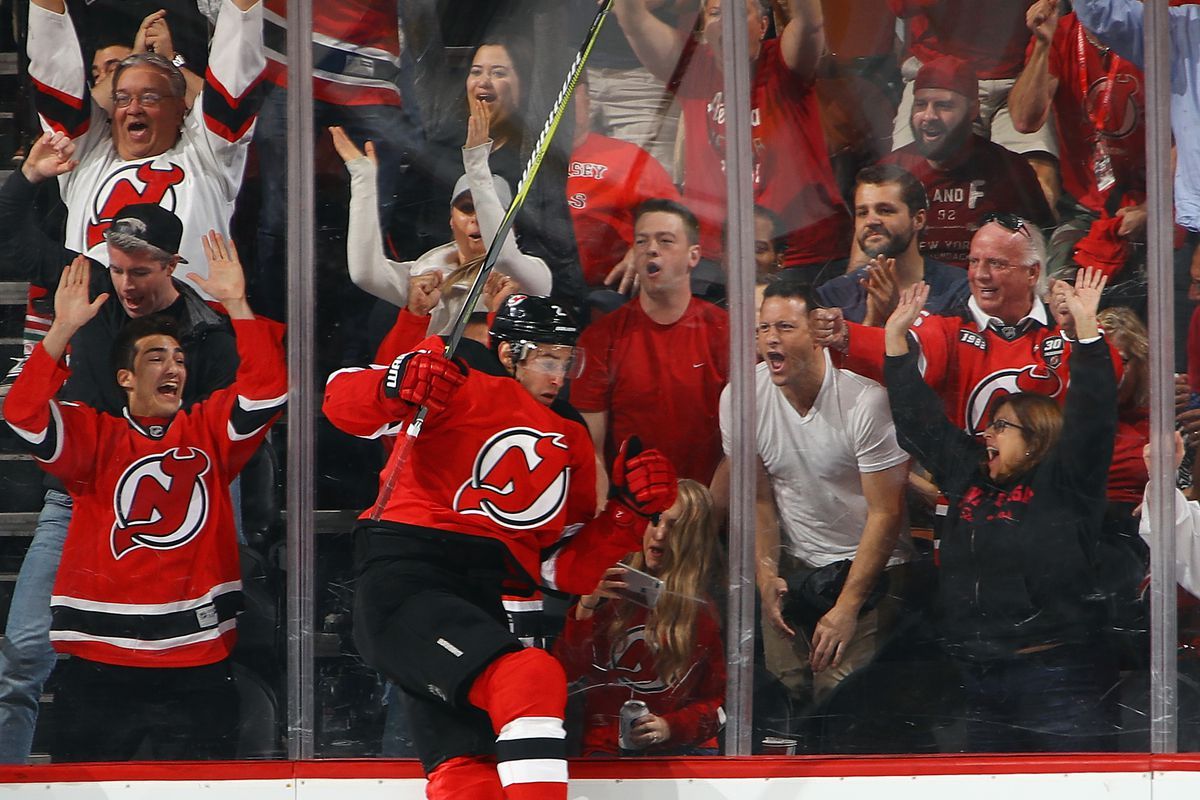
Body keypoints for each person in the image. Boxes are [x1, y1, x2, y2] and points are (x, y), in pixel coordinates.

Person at [323, 294, 678, 799]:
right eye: (548, 359)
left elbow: (563, 571)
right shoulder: (452, 372)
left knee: (469, 778)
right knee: (530, 673)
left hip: (480, 601)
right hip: (406, 579)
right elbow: (340, 400)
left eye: (568, 361)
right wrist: (394, 384)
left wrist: (629, 515)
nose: (560, 375)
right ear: (509, 352)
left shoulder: (570, 434)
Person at [3, 235, 284, 761]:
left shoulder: (211, 433)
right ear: (125, 378)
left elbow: (266, 391)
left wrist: (240, 306)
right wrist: (62, 329)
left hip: (198, 665)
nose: (173, 367)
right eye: (156, 357)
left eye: (178, 357)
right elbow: (21, 411)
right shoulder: (92, 438)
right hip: (99, 669)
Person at [882, 268, 1119, 752]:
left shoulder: (1065, 482)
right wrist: (894, 341)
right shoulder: (972, 475)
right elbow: (920, 424)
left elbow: (1093, 415)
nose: (986, 435)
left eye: (1002, 427)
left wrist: (1088, 332)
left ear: (1036, 440)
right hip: (980, 674)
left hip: (1056, 676)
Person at [725, 278, 911, 708]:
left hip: (873, 569)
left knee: (836, 691)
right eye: (763, 329)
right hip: (797, 562)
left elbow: (886, 513)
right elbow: (759, 499)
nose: (770, 339)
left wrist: (847, 608)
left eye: (785, 328)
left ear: (816, 333)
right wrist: (767, 573)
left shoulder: (865, 402)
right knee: (782, 691)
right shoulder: (740, 399)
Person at [26, 0, 263, 287]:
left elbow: (238, 50)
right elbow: (52, 59)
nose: (134, 108)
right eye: (123, 98)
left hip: (186, 323)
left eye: (150, 97)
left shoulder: (208, 154)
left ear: (180, 107)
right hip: (102, 322)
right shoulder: (84, 157)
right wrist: (133, 63)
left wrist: (170, 61)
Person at [814, 214, 1116, 435]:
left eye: (996, 264)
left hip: (1051, 501)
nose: (980, 275)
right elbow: (906, 351)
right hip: (971, 500)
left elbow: (1115, 386)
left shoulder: (1067, 322)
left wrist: (1082, 331)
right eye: (974, 262)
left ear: (1032, 273)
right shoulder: (950, 324)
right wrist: (845, 335)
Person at [612, 0, 851, 270]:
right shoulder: (695, 68)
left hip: (802, 255)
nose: (726, 21)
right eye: (715, 14)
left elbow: (810, 23)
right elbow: (633, 20)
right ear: (703, 27)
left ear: (762, 26)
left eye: (738, 13)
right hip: (714, 257)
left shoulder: (782, 63)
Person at [332, 90, 551, 338]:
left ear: (512, 227)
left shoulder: (533, 275)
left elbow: (504, 257)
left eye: (487, 210)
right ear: (451, 220)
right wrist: (364, 180)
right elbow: (365, 274)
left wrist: (477, 164)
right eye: (466, 208)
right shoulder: (426, 274)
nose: (476, 217)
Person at [554, 479, 726, 756]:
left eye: (675, 526)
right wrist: (586, 606)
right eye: (654, 520)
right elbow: (568, 675)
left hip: (681, 754)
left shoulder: (706, 608)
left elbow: (717, 703)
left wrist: (671, 727)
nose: (658, 534)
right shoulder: (608, 587)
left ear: (693, 537)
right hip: (605, 751)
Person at [419, 37, 588, 307]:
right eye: (476, 71)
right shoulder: (442, 149)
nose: (483, 81)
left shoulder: (534, 158)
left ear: (522, 87)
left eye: (498, 73)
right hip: (446, 288)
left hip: (511, 290)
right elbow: (422, 231)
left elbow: (545, 247)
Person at [573, 198, 729, 485]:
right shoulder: (600, 338)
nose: (651, 249)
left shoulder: (726, 332)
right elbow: (590, 451)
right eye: (642, 242)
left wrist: (705, 516)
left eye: (666, 241)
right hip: (630, 512)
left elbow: (743, 448)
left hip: (706, 510)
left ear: (693, 256)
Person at [1009, 0, 1149, 282]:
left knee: (1156, 296)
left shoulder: (1155, 31)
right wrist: (1042, 45)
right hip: (1085, 205)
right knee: (1058, 290)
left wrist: (1151, 211)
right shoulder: (1060, 34)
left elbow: (1179, 135)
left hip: (1158, 201)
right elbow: (1025, 120)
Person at [881, 55, 1054, 269]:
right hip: (911, 292)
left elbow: (1040, 245)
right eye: (921, 104)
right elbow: (867, 253)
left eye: (943, 106)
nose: (928, 116)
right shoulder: (891, 172)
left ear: (973, 110)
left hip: (984, 292)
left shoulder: (1010, 170)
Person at [886, 0, 1059, 206]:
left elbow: (1050, 10)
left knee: (1039, 189)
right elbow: (901, 6)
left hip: (1019, 76)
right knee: (905, 191)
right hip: (938, 77)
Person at [566, 73, 681, 295]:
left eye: (573, 94)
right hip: (539, 285)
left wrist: (645, 249)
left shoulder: (628, 158)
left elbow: (676, 219)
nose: (564, 104)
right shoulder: (528, 159)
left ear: (588, 100)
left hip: (610, 291)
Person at [817, 164, 969, 326]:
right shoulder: (834, 295)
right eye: (862, 213)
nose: (871, 221)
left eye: (885, 210)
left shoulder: (957, 289)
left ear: (918, 220)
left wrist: (894, 314)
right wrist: (872, 321)